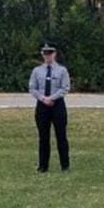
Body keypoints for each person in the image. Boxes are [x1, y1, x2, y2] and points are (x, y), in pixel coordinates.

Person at [28, 42, 71, 173]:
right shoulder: (37, 71)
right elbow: (32, 88)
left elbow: (65, 88)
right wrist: (43, 98)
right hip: (42, 105)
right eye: (45, 53)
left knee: (61, 136)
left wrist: (52, 98)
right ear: (42, 55)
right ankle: (43, 166)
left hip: (57, 104)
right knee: (43, 136)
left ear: (55, 54)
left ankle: (65, 165)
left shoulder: (62, 70)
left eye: (50, 53)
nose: (47, 56)